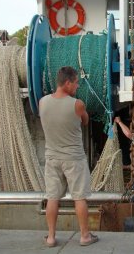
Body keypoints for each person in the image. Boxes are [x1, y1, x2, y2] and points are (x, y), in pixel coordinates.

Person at [39, 66, 98, 247]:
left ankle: (50, 237)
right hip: (74, 159)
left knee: (52, 197)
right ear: (67, 83)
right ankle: (85, 236)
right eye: (75, 82)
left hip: (52, 158)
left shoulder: (42, 102)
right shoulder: (77, 104)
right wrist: (84, 110)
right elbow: (85, 121)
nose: (77, 86)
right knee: (79, 197)